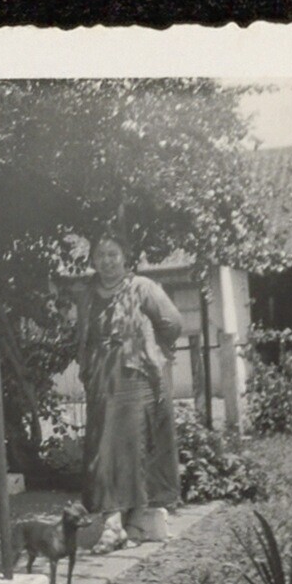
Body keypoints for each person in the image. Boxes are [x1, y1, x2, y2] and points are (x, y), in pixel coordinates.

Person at [70, 233, 183, 550]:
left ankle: (127, 523)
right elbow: (83, 336)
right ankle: (115, 523)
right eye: (101, 255)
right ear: (93, 260)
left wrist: (151, 347)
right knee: (103, 450)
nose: (107, 261)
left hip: (136, 377)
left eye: (113, 254)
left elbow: (173, 323)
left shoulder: (142, 288)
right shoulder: (87, 295)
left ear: (125, 257)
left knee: (132, 448)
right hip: (100, 380)